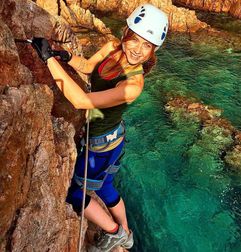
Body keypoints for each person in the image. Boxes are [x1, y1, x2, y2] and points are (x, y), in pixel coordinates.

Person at [31, 3, 168, 251]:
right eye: (135, 40)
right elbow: (88, 67)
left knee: (74, 192)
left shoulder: (133, 85)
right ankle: (127, 233)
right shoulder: (112, 48)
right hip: (112, 137)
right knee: (104, 186)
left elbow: (81, 101)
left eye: (147, 46)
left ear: (153, 51)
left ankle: (113, 232)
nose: (138, 50)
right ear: (126, 34)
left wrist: (49, 60)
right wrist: (67, 57)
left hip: (103, 144)